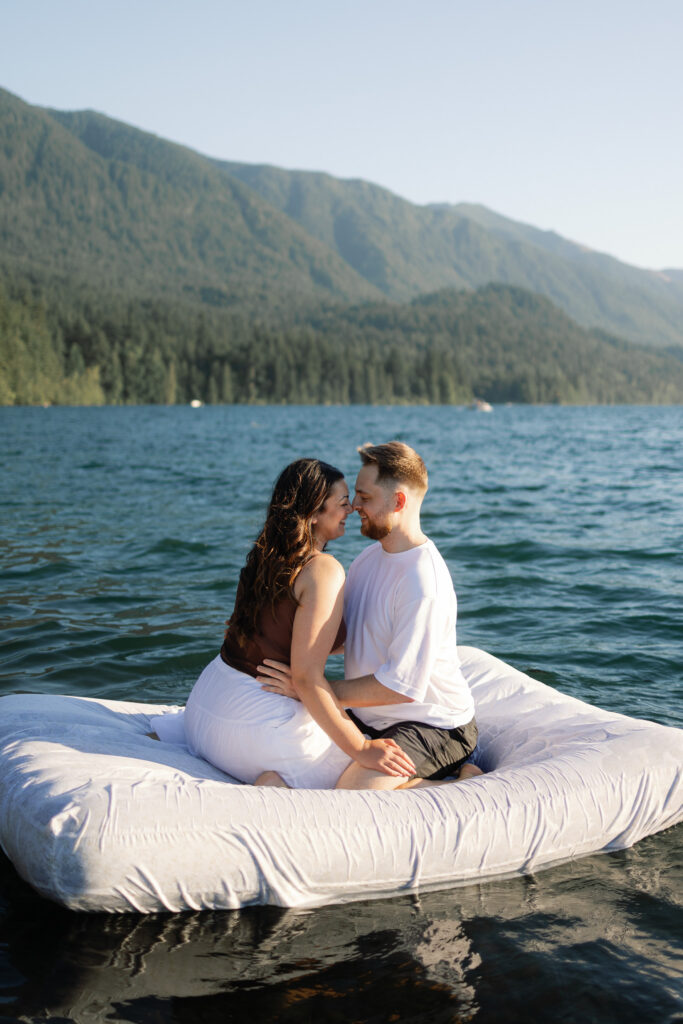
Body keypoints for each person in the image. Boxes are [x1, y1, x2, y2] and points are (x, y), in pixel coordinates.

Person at [154, 458, 417, 789]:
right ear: (313, 514)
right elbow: (306, 678)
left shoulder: (264, 558)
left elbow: (278, 632)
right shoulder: (323, 569)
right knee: (379, 772)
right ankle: (459, 782)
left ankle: (274, 780)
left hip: (205, 709)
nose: (350, 509)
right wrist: (362, 748)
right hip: (254, 724)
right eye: (341, 503)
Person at [259, 442, 482, 790]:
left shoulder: (423, 582)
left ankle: (465, 780)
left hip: (433, 724)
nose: (353, 507)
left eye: (364, 497)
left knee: (354, 792)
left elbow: (401, 687)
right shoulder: (367, 560)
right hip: (369, 716)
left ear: (399, 502)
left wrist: (314, 690)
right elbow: (345, 636)